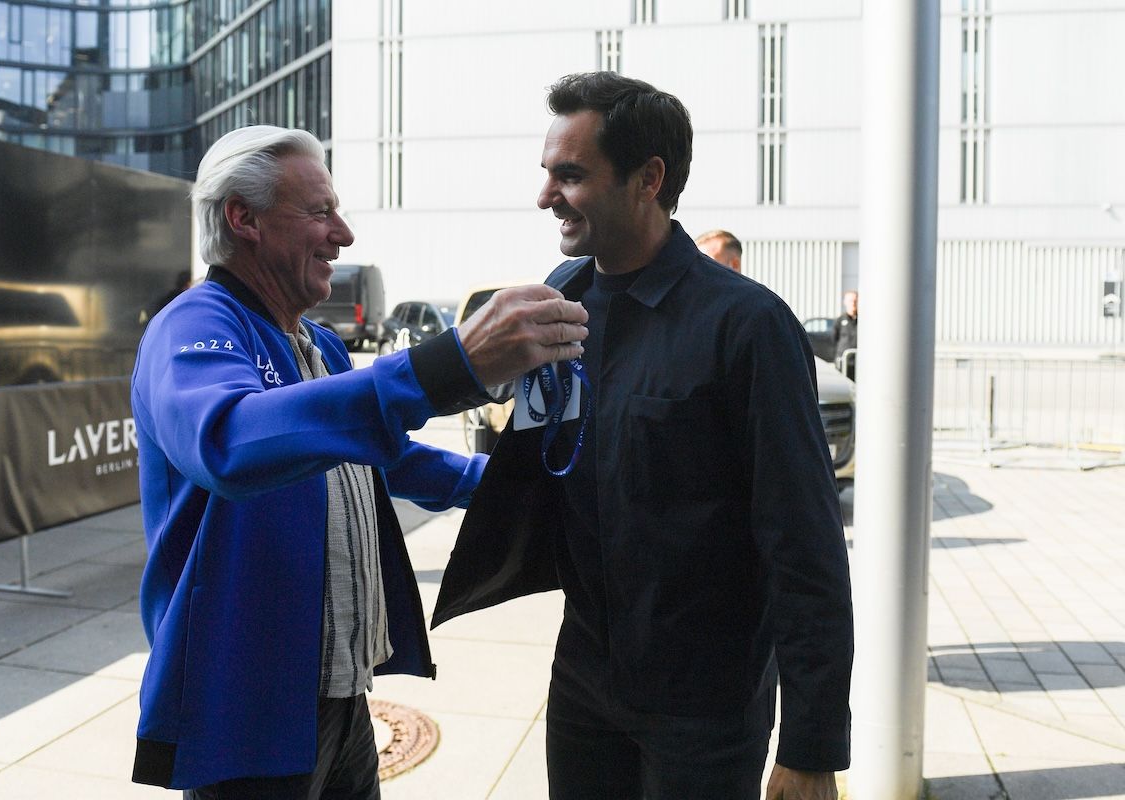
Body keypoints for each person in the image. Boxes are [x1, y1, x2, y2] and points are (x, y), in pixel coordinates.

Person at [129, 125, 588, 797]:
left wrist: (518, 486)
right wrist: (443, 365)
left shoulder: (316, 343)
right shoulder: (195, 324)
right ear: (242, 218)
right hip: (248, 712)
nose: (343, 235)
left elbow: (391, 460)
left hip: (342, 700)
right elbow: (225, 441)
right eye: (320, 212)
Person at [433, 73, 853, 800]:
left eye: (570, 175)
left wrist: (812, 746)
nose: (546, 196)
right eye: (547, 174)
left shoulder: (746, 326)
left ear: (647, 179)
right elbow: (540, 465)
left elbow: (804, 540)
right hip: (583, 689)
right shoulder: (559, 299)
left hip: (706, 711)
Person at [832, 289, 859, 378]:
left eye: (855, 300)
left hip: (859, 363)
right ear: (845, 302)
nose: (853, 303)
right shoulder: (840, 320)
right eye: (851, 301)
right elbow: (834, 339)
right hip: (843, 362)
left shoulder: (864, 320)